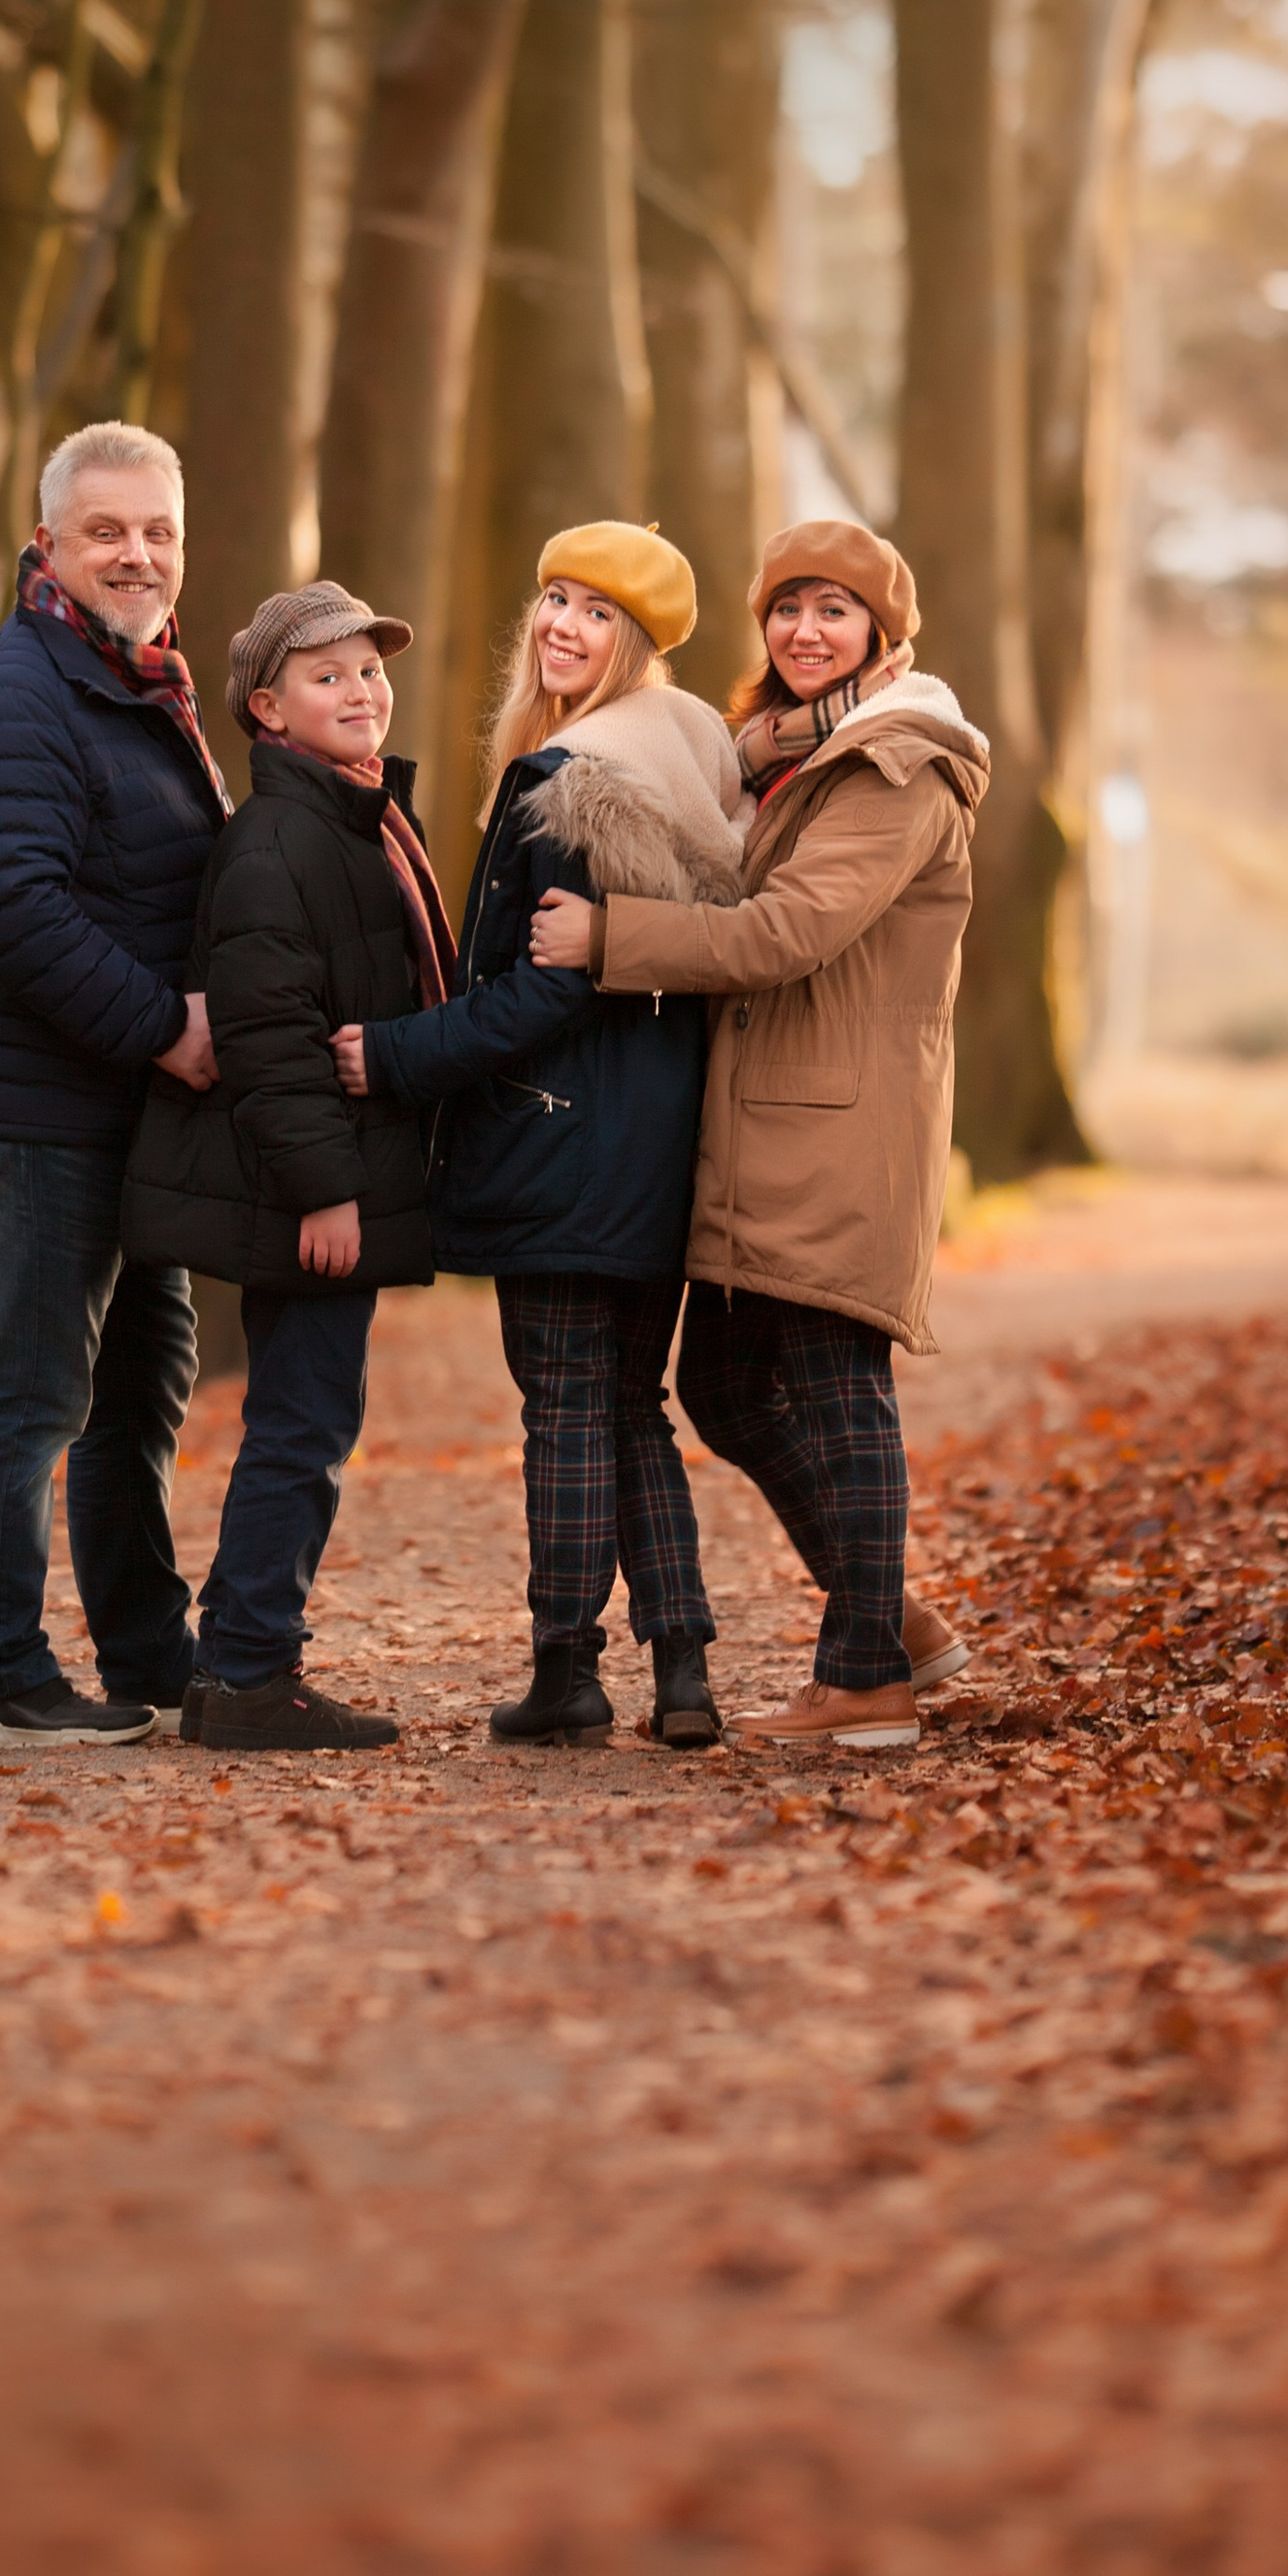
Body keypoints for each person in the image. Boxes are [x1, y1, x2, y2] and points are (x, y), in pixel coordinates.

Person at [528, 520, 987, 1748]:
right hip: (773, 1120)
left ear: (882, 635)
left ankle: (862, 1679)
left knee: (838, 1386)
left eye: (834, 611)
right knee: (729, 1389)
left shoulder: (892, 768)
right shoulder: (787, 754)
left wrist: (611, 939)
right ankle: (893, 1617)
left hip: (838, 1122)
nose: (803, 631)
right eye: (787, 609)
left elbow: (784, 932)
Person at [335, 524, 747, 1752]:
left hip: (560, 1136)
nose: (564, 625)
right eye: (555, 599)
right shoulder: (693, 765)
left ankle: (565, 1666)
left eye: (597, 613)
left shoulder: (572, 778)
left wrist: (395, 1055)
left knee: (566, 1405)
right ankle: (683, 1671)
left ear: (636, 643)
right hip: (657, 1141)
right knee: (627, 1405)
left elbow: (540, 990)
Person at [0, 423, 224, 1748]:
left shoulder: (136, 686)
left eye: (157, 532)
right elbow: (13, 907)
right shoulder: (14, 691)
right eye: (107, 532)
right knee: (31, 1395)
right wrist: (167, 1028)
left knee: (141, 1393)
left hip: (121, 1116)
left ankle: (151, 1658)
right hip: (31, 1114)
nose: (136, 554)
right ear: (49, 545)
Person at [122, 586, 455, 1752]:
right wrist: (326, 1190)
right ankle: (256, 1674)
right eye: (328, 677)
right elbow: (266, 1035)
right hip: (309, 1190)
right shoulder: (278, 841)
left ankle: (229, 1670)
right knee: (302, 1426)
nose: (360, 690)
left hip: (335, 1175)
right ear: (267, 709)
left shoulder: (355, 817)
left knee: (302, 1419)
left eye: (368, 669)